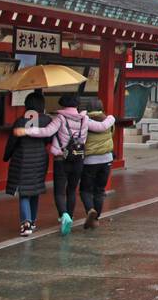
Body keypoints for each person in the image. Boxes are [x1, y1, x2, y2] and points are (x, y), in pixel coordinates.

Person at [15, 94, 116, 235]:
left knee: (60, 191)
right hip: (79, 159)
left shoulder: (60, 118)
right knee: (72, 190)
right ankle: (70, 215)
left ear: (63, 105)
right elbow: (102, 126)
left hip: (61, 159)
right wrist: (112, 117)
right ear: (77, 105)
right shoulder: (85, 119)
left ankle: (64, 216)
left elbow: (46, 132)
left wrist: (26, 130)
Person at [4, 91, 51, 236]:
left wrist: (6, 156)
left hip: (22, 159)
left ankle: (26, 223)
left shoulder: (20, 121)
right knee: (35, 189)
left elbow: (12, 142)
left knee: (24, 191)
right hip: (40, 158)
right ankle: (33, 221)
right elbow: (49, 139)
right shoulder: (47, 120)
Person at [80, 110, 115, 230]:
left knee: (85, 189)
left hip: (90, 160)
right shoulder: (109, 121)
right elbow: (112, 134)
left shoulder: (85, 122)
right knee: (99, 190)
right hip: (106, 160)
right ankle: (95, 219)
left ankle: (90, 209)